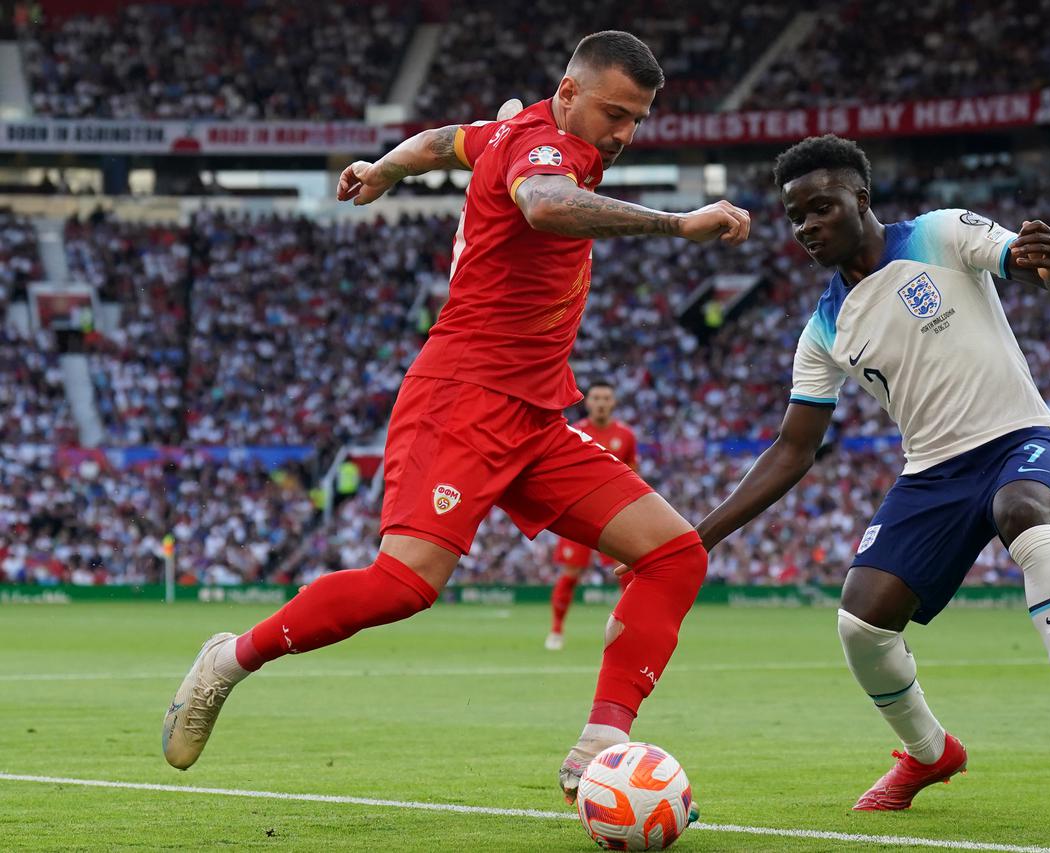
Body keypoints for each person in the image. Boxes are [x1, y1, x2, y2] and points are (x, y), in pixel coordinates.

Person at [161, 31, 750, 806]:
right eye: (615, 113)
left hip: (537, 412)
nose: (624, 134)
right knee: (404, 584)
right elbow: (544, 205)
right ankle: (228, 660)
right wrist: (678, 225)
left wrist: (383, 168)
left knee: (674, 553)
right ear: (568, 93)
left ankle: (600, 745)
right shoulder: (542, 148)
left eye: (637, 119)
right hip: (462, 399)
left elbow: (447, 141)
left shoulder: (512, 133)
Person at [676, 134, 1050, 809]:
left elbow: (1046, 265)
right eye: (796, 217)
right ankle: (929, 752)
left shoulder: (939, 235)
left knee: (1023, 512)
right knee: (860, 624)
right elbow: (793, 449)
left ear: (860, 198)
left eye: (821, 207)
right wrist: (701, 534)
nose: (807, 227)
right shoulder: (824, 327)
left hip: (1019, 436)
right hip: (933, 473)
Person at [546, 380, 639, 651]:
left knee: (626, 569)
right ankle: (556, 630)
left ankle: (629, 627)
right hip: (579, 513)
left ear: (613, 403)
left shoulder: (626, 436)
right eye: (596, 398)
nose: (600, 403)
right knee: (571, 572)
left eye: (605, 398)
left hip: (614, 515)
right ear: (587, 402)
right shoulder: (574, 432)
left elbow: (633, 475)